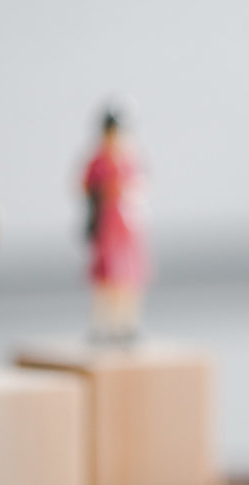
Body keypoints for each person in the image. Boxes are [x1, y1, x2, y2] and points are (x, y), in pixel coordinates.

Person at [81, 109, 148, 345]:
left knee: (129, 276)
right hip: (107, 224)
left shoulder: (131, 158)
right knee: (106, 275)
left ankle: (126, 324)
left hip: (128, 226)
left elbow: (142, 186)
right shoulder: (99, 161)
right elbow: (86, 186)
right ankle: (102, 324)